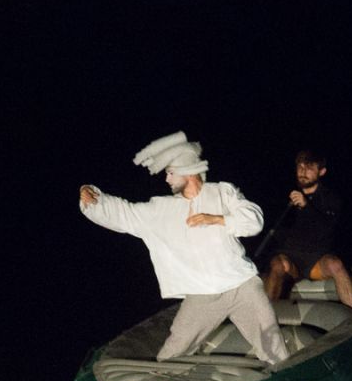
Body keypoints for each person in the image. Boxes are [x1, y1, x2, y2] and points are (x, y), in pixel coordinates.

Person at [79, 131, 288, 364]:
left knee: (273, 347)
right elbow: (124, 213)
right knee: (172, 354)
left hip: (242, 286)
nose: (167, 179)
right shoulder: (161, 209)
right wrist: (94, 198)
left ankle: (288, 379)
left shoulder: (223, 192)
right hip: (202, 294)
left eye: (170, 173)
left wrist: (217, 219)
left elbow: (254, 221)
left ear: (188, 171)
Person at [261, 150, 352, 310]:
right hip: (290, 260)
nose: (303, 172)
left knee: (335, 264)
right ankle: (265, 318)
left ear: (322, 171)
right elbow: (273, 231)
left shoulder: (331, 198)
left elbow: (327, 229)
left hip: (316, 260)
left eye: (309, 168)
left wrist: (306, 207)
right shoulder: (286, 196)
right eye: (300, 167)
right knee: (277, 264)